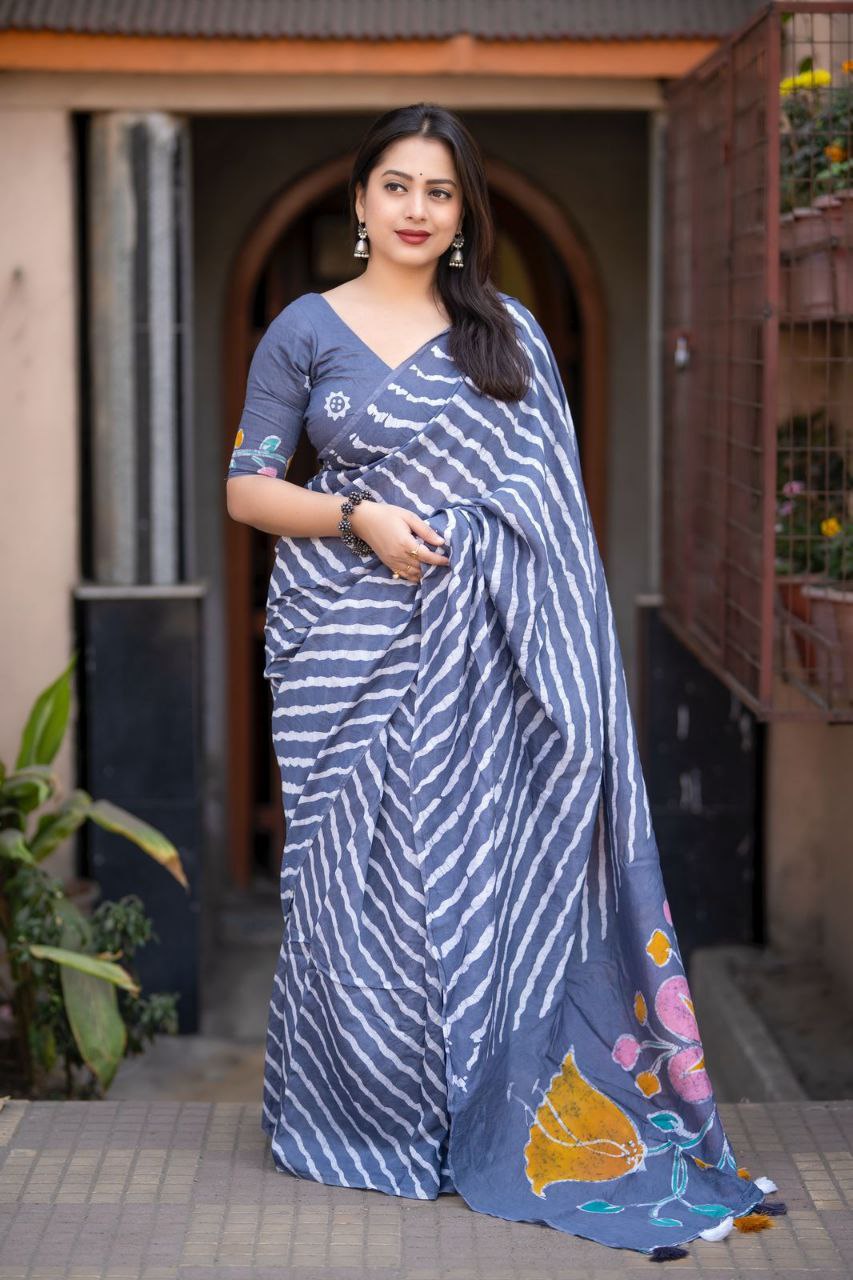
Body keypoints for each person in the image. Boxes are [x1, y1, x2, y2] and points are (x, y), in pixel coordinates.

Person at [225, 102, 779, 1258]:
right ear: (360, 200)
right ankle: (364, 1121)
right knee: (357, 899)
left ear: (463, 212)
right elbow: (248, 487)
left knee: (478, 892)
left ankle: (490, 1115)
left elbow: (549, 517)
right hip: (346, 654)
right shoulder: (303, 328)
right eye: (396, 185)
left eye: (440, 191)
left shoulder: (505, 333)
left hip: (491, 659)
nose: (416, 209)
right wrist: (359, 515)